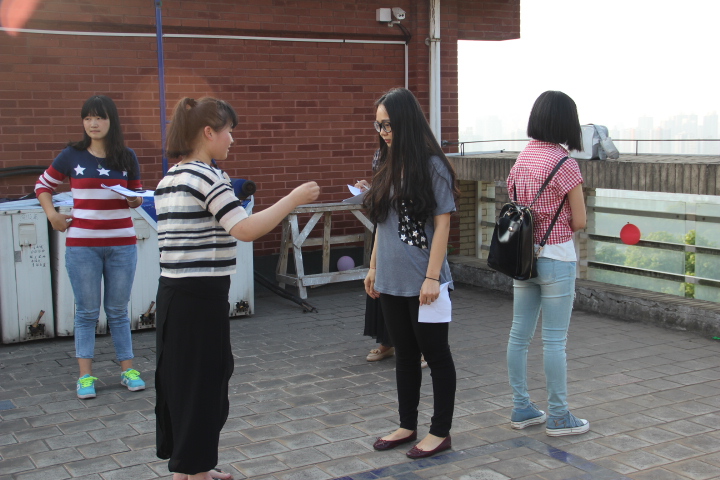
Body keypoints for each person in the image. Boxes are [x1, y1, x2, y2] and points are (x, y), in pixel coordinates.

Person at [154, 97, 319, 480]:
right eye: (228, 131)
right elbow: (244, 229)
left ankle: (189, 469)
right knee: (204, 385)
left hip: (173, 296)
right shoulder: (208, 177)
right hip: (200, 299)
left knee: (181, 384)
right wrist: (292, 199)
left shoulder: (170, 178)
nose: (232, 139)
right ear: (208, 132)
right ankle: (194, 472)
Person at [364, 88, 459, 459]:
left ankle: (440, 432)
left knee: (435, 356)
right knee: (404, 354)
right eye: (379, 125)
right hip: (390, 278)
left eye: (389, 124)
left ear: (406, 121)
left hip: (424, 280)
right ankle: (407, 425)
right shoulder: (384, 161)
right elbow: (381, 222)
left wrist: (432, 277)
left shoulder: (432, 165)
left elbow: (443, 224)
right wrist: (373, 267)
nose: (384, 132)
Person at [36, 95, 146, 399]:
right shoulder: (72, 155)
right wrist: (52, 215)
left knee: (118, 311)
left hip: (122, 245)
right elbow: (43, 185)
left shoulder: (127, 156)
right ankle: (85, 377)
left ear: (112, 121)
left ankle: (128, 370)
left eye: (99, 117)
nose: (93, 124)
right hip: (82, 246)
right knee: (86, 312)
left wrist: (133, 198)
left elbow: (137, 196)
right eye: (87, 118)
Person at [505, 90, 589, 437]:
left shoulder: (523, 157)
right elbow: (579, 220)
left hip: (523, 258)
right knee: (554, 342)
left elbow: (515, 203)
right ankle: (558, 416)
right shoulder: (564, 163)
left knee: (519, 335)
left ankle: (521, 407)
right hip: (556, 258)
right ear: (567, 122)